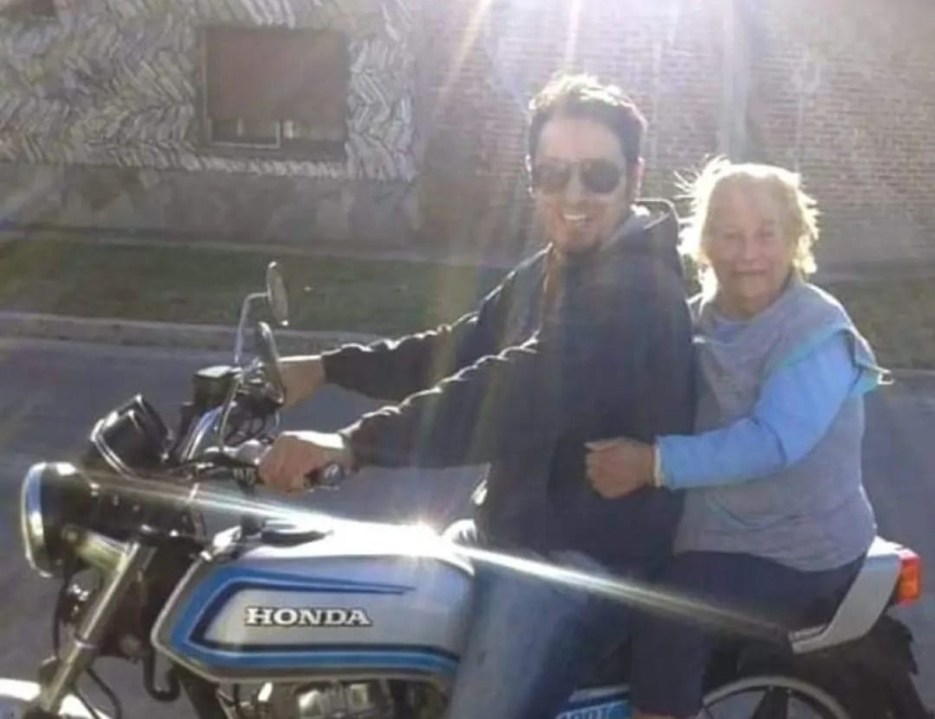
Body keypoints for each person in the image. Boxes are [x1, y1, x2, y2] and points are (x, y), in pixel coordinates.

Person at [258, 74, 695, 718]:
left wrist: (354, 444)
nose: (574, 194)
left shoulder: (636, 288)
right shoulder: (552, 265)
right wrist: (324, 369)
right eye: (553, 173)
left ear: (634, 176)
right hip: (507, 532)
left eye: (597, 174)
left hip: (580, 559)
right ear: (533, 179)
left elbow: (516, 391)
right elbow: (457, 348)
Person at [586, 158, 887, 719]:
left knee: (671, 608)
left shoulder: (815, 329)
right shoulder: (697, 319)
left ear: (795, 239)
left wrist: (652, 463)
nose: (748, 253)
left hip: (797, 544)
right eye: (730, 235)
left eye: (766, 234)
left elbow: (772, 442)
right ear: (705, 244)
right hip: (721, 528)